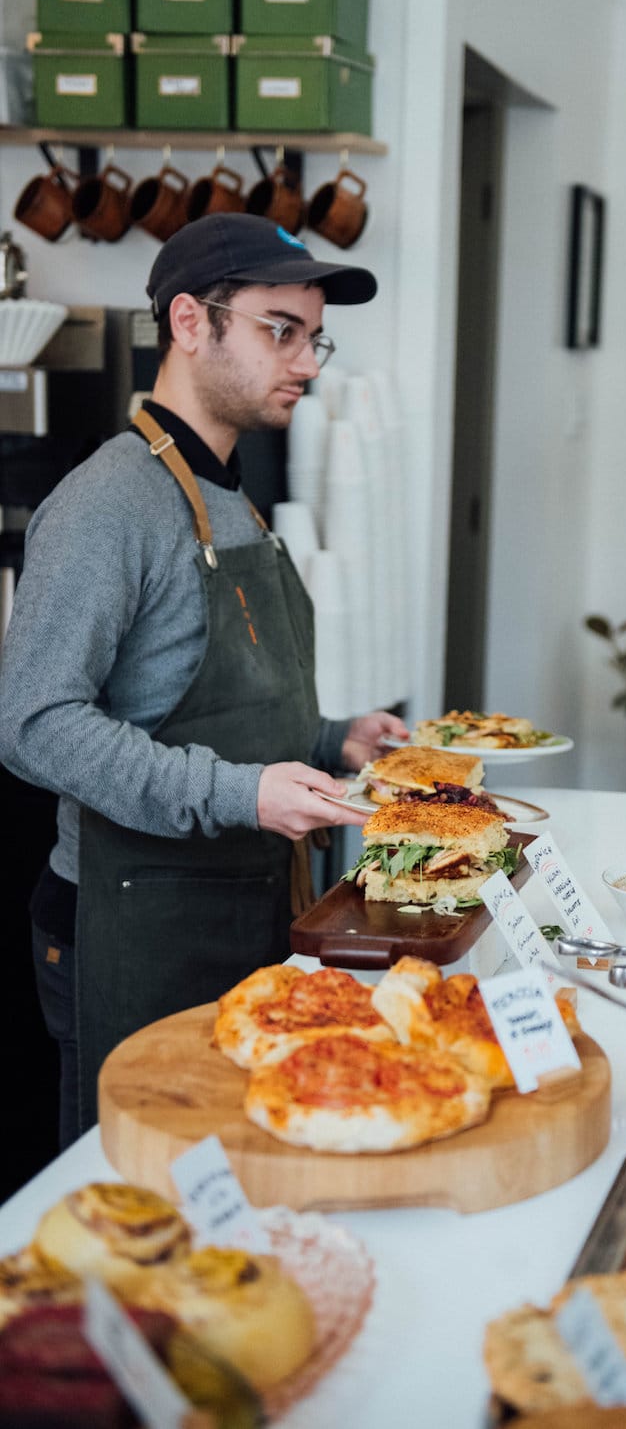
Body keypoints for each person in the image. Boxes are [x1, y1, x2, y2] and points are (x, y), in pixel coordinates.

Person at [0, 213, 408, 1143]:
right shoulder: (109, 502)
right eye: (279, 329)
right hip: (130, 927)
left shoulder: (225, 489)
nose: (306, 360)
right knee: (135, 1212)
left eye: (314, 337)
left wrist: (328, 738)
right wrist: (241, 792)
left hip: (239, 912)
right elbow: (32, 723)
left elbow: (194, 697)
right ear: (190, 322)